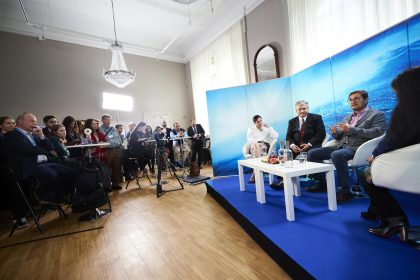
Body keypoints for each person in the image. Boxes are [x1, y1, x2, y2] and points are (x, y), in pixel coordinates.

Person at [358, 67, 420, 242]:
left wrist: (375, 156)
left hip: (409, 164)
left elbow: (392, 140)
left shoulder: (405, 110)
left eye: (397, 93)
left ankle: (394, 220)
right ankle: (375, 211)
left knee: (366, 174)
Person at [307, 90, 386, 203]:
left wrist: (351, 129)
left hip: (358, 148)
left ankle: (345, 191)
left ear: (366, 100)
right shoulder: (348, 117)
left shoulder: (377, 114)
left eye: (356, 98)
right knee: (312, 153)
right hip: (341, 146)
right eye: (350, 100)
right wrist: (336, 133)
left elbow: (377, 132)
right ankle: (322, 183)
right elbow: (340, 137)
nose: (353, 101)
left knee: (337, 155)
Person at [2, 113, 75, 204]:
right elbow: (30, 150)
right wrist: (46, 151)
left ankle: (56, 195)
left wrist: (41, 136)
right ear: (20, 122)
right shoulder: (12, 135)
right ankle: (43, 195)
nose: (35, 124)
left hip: (43, 163)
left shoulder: (33, 134)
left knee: (69, 171)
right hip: (28, 166)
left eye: (36, 122)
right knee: (52, 174)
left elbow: (50, 147)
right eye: (32, 121)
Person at [246, 115, 279, 183]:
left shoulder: (266, 128)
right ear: (255, 123)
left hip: (265, 146)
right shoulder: (251, 129)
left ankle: (254, 174)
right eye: (258, 122)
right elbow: (250, 140)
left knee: (259, 146)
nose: (260, 123)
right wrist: (258, 143)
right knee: (256, 145)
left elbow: (276, 136)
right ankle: (259, 168)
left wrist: (269, 127)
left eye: (261, 121)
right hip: (254, 146)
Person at [99, 114, 123, 190]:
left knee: (117, 168)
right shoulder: (100, 129)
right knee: (107, 168)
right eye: (106, 119)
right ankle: (107, 185)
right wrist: (111, 143)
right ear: (102, 120)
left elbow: (118, 139)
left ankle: (115, 184)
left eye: (109, 120)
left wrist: (118, 144)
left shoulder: (113, 129)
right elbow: (103, 141)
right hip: (108, 151)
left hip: (117, 150)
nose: (108, 121)